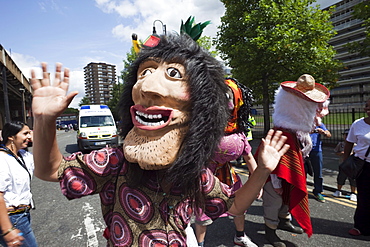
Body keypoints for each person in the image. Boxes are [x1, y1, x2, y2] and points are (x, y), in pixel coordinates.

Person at [30, 34, 289, 247]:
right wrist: (44, 121)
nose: (146, 87)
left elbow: (234, 206)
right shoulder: (116, 161)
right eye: (143, 73)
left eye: (174, 73)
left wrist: (263, 169)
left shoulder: (192, 171)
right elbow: (50, 170)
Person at [259, 74, 330, 247]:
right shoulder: (282, 131)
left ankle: (284, 220)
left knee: (287, 197)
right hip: (275, 175)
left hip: (292, 171)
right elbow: (273, 164)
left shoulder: (299, 129)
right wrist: (276, 183)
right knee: (274, 201)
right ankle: (270, 230)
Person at [194, 78, 258, 247]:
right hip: (205, 176)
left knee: (239, 206)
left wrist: (258, 183)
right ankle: (199, 245)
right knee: (202, 213)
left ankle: (240, 236)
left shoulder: (239, 134)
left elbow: (249, 158)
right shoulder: (203, 131)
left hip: (228, 176)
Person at [0, 121, 37, 247]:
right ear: (11, 136)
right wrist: (7, 229)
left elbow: (45, 165)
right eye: (25, 133)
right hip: (12, 218)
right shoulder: (2, 159)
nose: (29, 137)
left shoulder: (23, 155)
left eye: (30, 133)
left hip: (22, 215)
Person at [345, 98, 370, 237]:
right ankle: (360, 226)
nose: (368, 108)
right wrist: (345, 161)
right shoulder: (358, 124)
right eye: (367, 106)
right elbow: (349, 142)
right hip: (363, 166)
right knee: (364, 198)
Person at [308, 100, 331, 203]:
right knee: (302, 172)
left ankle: (318, 192)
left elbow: (328, 134)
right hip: (304, 150)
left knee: (318, 173)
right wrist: (315, 130)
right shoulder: (304, 122)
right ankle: (301, 192)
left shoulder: (319, 123)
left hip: (317, 150)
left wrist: (325, 132)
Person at [332, 129, 357, 201]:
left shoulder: (355, 145)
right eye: (345, 135)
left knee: (352, 179)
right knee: (341, 177)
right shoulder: (341, 144)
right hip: (342, 164)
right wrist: (340, 153)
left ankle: (353, 193)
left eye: (348, 135)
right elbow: (336, 152)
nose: (346, 136)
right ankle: (338, 190)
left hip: (352, 165)